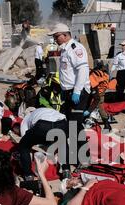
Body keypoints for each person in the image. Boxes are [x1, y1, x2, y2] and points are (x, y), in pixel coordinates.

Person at [47, 23, 91, 165]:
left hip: (76, 92)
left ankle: (83, 160)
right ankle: (79, 157)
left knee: (74, 127)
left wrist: (77, 91)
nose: (55, 39)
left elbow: (83, 70)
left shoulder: (75, 48)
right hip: (68, 92)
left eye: (56, 36)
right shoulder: (65, 50)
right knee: (73, 126)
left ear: (65, 35)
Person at [19, 107, 71, 180]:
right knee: (63, 143)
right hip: (62, 122)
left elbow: (25, 139)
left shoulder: (26, 118)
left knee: (24, 146)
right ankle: (66, 170)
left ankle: (28, 175)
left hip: (44, 125)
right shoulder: (45, 110)